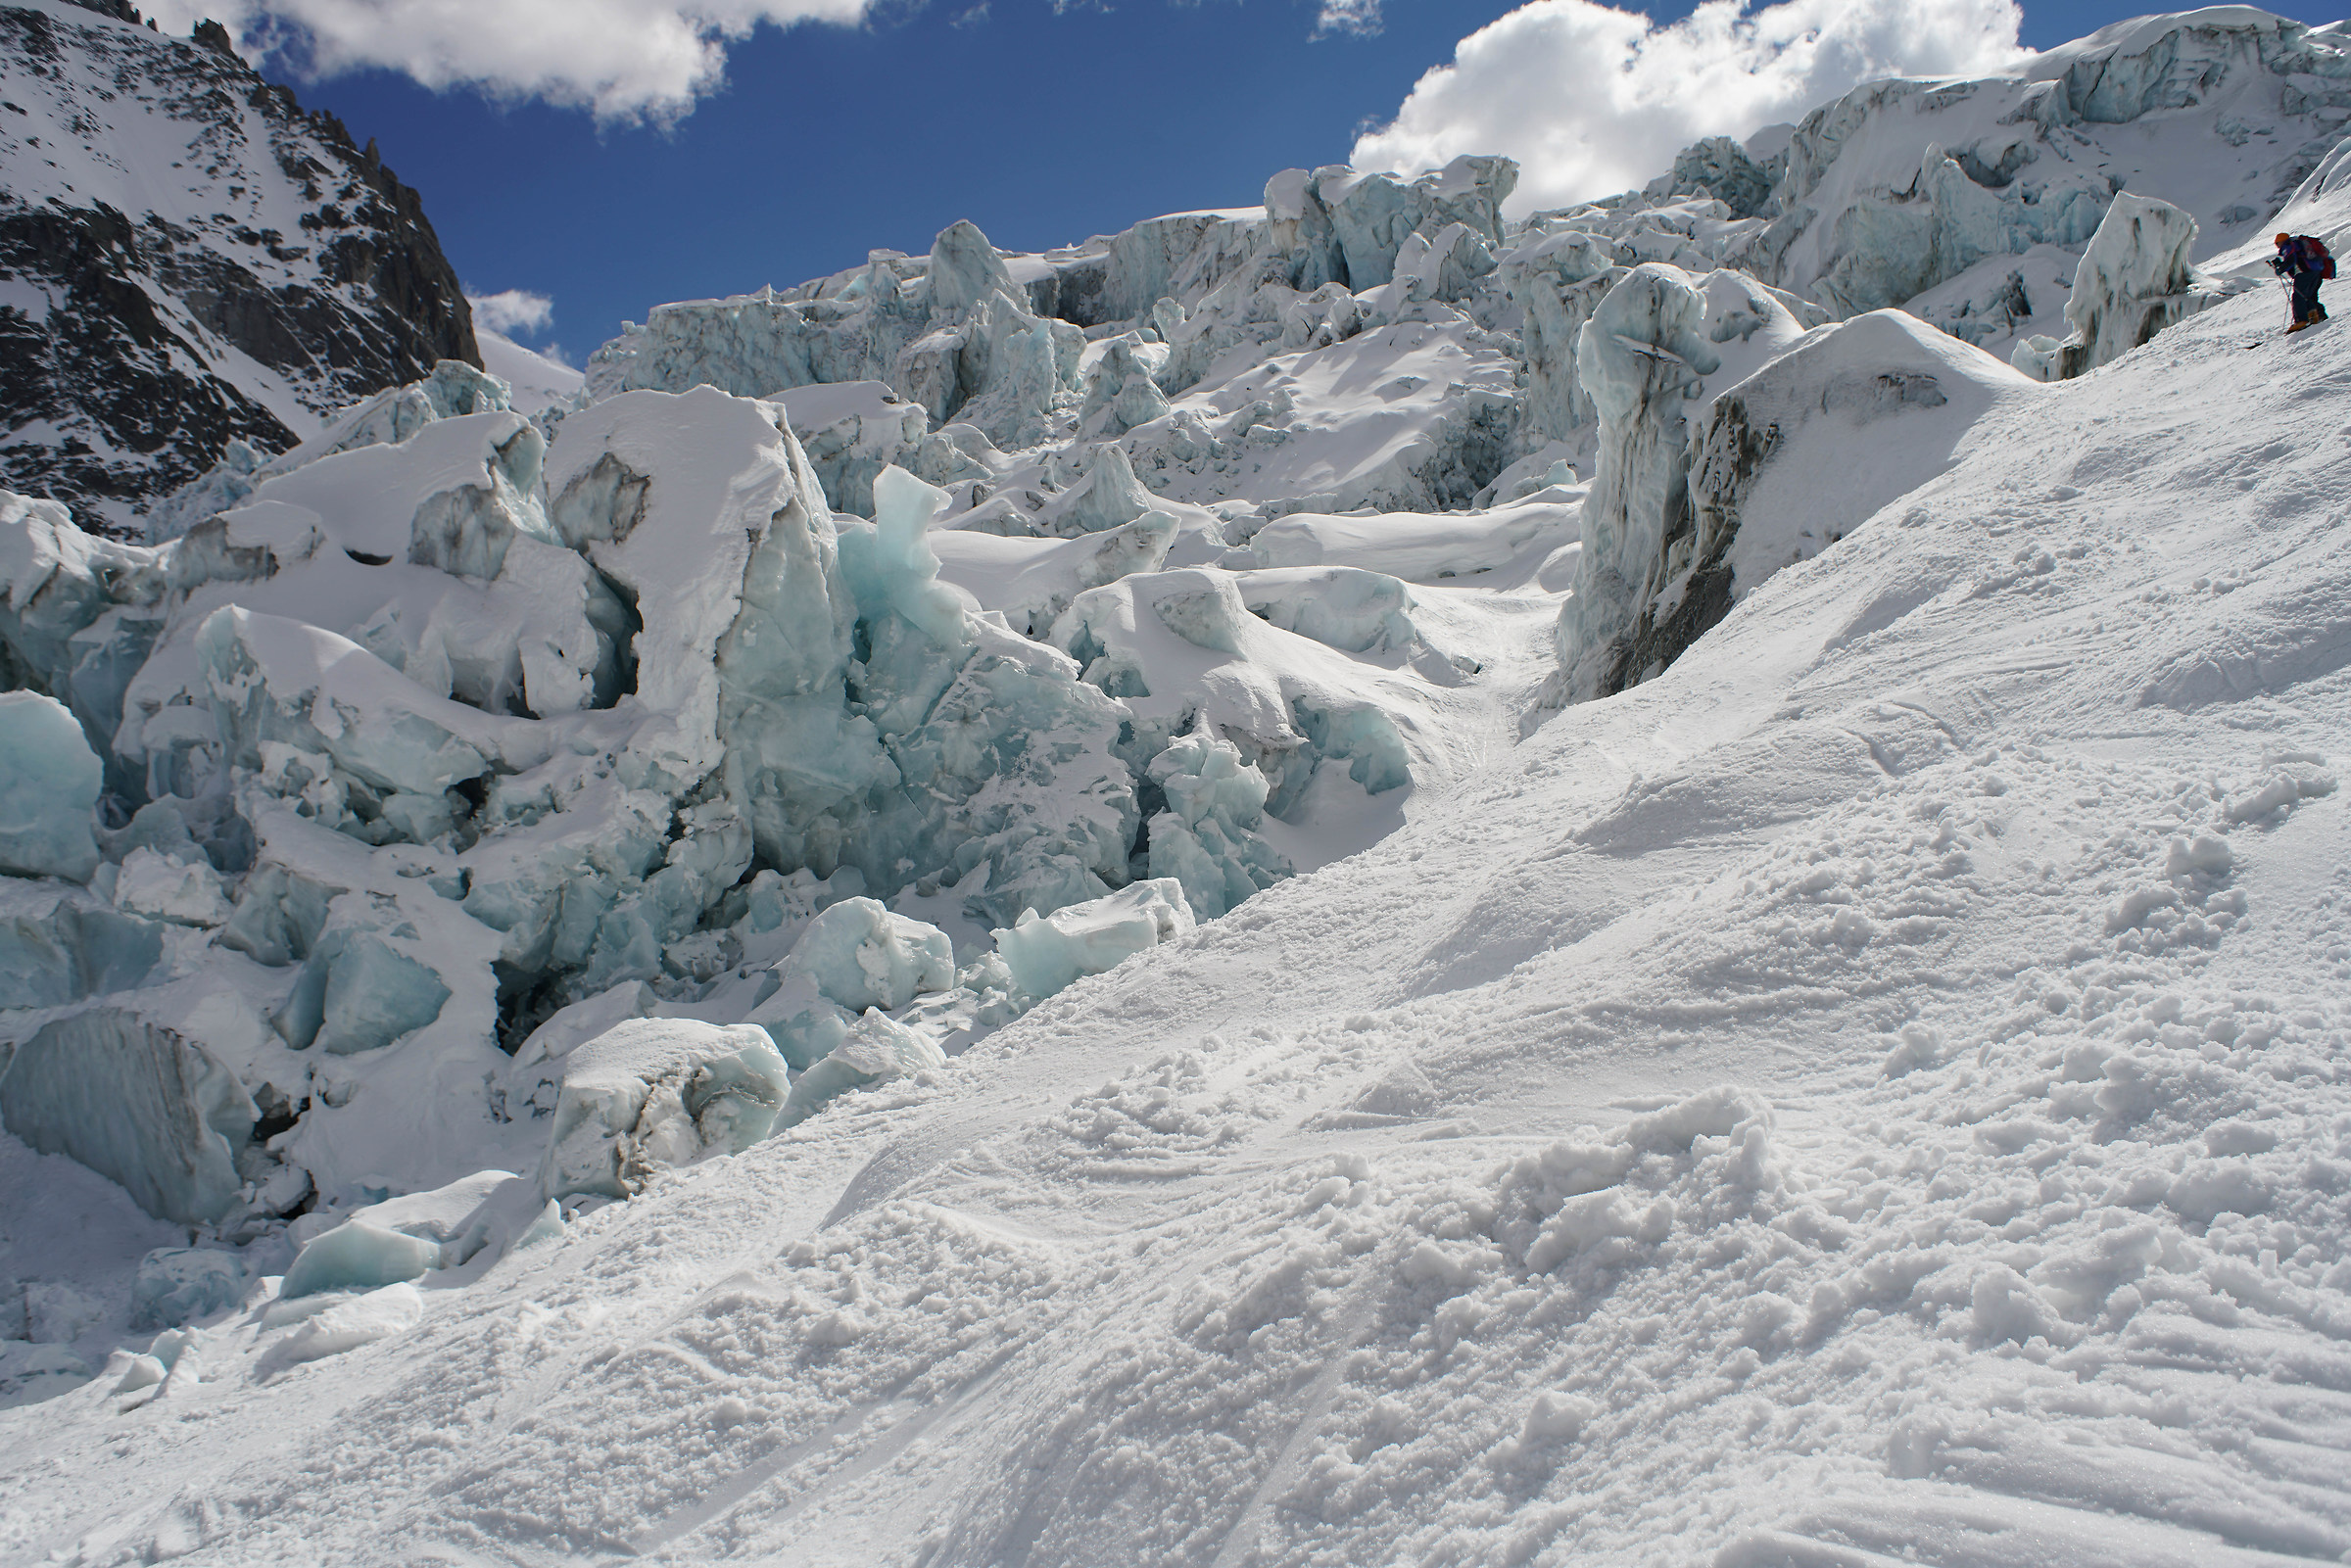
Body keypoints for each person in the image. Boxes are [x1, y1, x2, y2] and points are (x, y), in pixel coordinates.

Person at [2271, 232, 2334, 334]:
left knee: (2298, 297)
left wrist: (2281, 268)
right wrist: (2282, 264)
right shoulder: (2298, 243)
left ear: (2281, 241)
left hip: (2304, 273)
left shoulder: (2287, 245)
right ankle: (2315, 317)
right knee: (2308, 296)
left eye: (2277, 244)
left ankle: (2301, 321)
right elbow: (2298, 259)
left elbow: (2291, 260)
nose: (2277, 246)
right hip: (2316, 272)